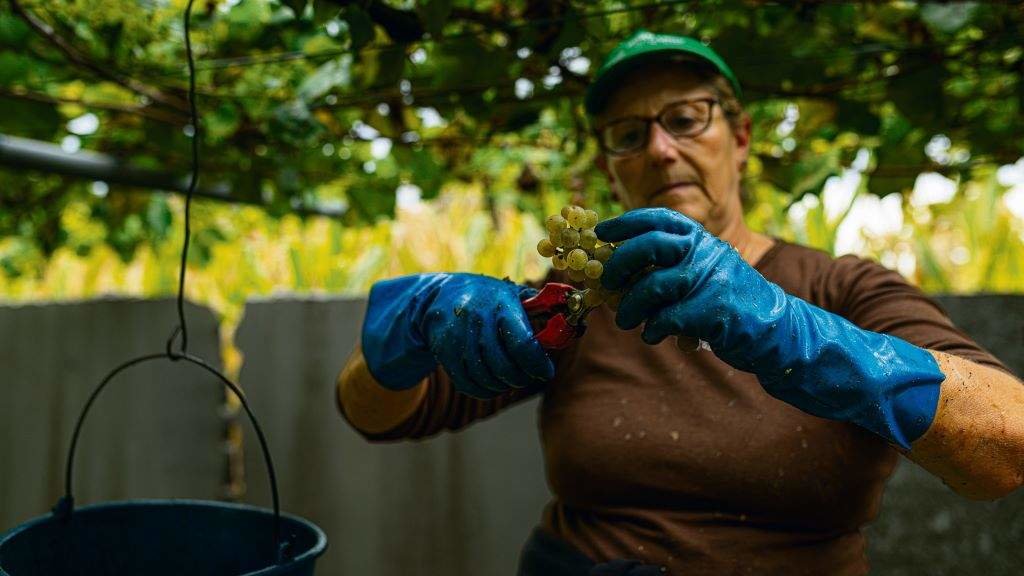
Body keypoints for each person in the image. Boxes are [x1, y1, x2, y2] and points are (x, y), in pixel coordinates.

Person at [336, 29, 1024, 576]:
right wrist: (413, 332)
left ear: (741, 137)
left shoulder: (841, 288)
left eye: (686, 119)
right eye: (630, 135)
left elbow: (1006, 447)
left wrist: (790, 330)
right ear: (612, 167)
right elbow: (378, 415)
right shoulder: (580, 301)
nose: (661, 151)